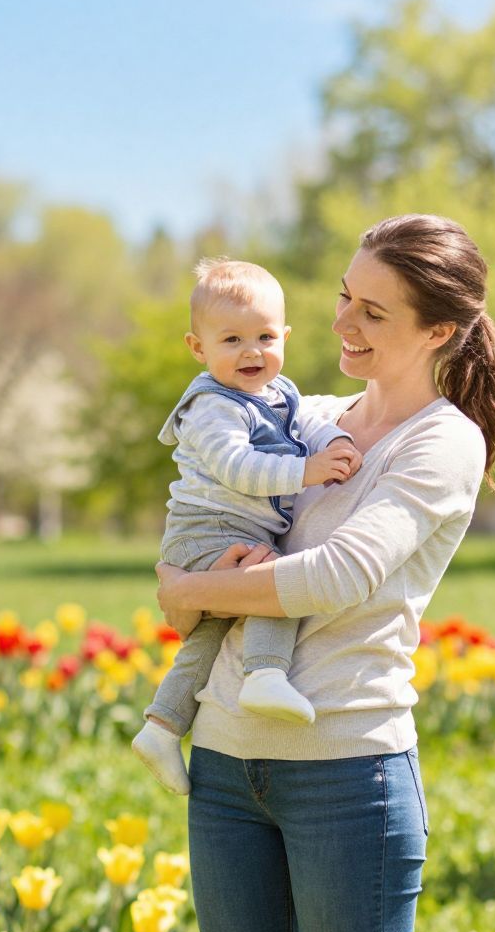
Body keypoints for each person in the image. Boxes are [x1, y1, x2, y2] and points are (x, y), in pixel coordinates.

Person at [156, 215, 495, 932]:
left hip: (347, 774)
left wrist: (192, 589)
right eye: (345, 296)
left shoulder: (440, 442)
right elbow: (188, 552)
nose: (340, 322)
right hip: (223, 764)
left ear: (439, 331)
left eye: (373, 312)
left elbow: (337, 575)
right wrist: (190, 587)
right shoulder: (301, 414)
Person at [132, 258, 364, 796]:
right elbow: (238, 467)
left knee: (210, 633)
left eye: (264, 336)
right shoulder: (212, 407)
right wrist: (307, 469)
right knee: (272, 581)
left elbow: (307, 422)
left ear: (285, 336)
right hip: (205, 529)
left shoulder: (279, 393)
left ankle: (161, 726)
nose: (251, 351)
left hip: (231, 531)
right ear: (198, 348)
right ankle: (265, 673)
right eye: (231, 339)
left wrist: (333, 442)